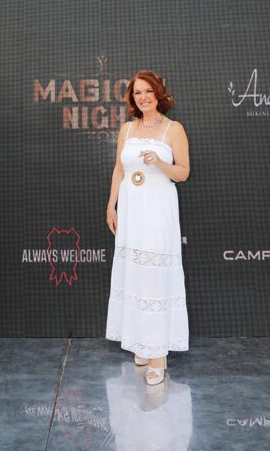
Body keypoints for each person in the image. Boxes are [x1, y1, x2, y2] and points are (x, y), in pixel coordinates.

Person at [105, 69, 190, 386]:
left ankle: (158, 357)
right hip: (132, 211)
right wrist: (112, 205)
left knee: (155, 277)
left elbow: (183, 173)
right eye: (137, 92)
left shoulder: (173, 128)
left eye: (148, 91)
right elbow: (119, 170)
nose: (143, 97)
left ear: (158, 93)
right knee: (136, 275)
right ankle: (142, 344)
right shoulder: (127, 129)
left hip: (158, 211)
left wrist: (159, 162)